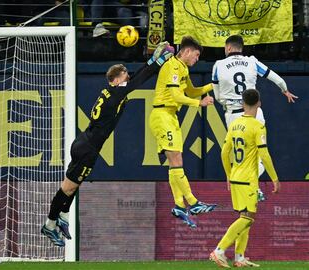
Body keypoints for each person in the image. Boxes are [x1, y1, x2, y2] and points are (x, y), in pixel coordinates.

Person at [41, 42, 174, 246]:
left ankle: (63, 217)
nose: (127, 77)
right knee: (67, 188)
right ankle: (49, 225)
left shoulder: (111, 92)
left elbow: (136, 76)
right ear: (115, 79)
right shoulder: (115, 93)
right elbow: (141, 78)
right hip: (88, 149)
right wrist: (159, 61)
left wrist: (151, 61)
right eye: (124, 75)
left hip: (84, 142)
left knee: (74, 186)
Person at [211, 35, 297, 200]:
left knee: (238, 155)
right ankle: (253, 186)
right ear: (241, 48)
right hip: (255, 114)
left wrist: (226, 103)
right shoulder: (252, 61)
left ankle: (245, 186)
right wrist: (284, 89)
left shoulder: (218, 66)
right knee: (260, 154)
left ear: (227, 48)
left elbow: (217, 95)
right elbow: (274, 77)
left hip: (233, 115)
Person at [149, 36, 216, 229]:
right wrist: (199, 104)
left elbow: (192, 91)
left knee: (175, 163)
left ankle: (179, 205)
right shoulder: (172, 65)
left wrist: (214, 85)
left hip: (171, 116)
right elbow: (176, 95)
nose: (196, 60)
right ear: (187, 51)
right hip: (162, 115)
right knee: (176, 160)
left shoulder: (183, 68)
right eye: (195, 55)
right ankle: (193, 203)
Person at [209, 88, 280, 268]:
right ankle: (219, 250)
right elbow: (264, 155)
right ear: (259, 104)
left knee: (245, 216)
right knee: (248, 217)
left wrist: (227, 174)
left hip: (235, 176)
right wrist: (275, 178)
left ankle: (239, 257)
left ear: (242, 104)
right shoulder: (257, 126)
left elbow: (225, 152)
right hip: (248, 179)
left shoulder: (234, 124)